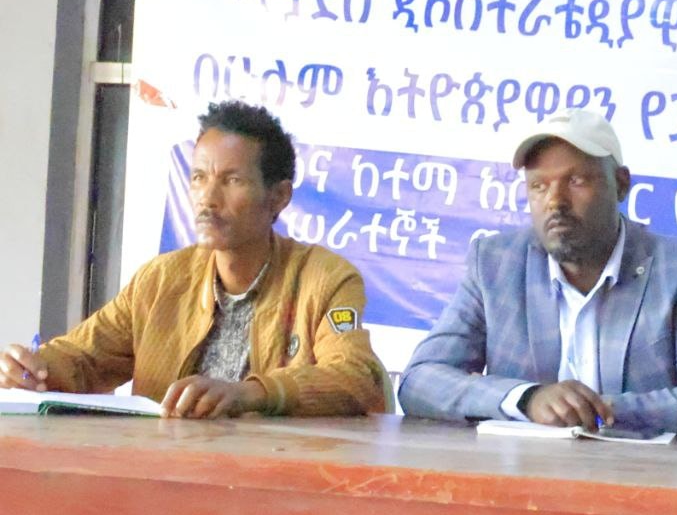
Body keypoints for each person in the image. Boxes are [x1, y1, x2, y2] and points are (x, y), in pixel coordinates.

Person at [0, 100, 387, 418]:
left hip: (270, 476)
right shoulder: (161, 279)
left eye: (232, 180)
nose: (208, 199)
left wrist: (251, 393)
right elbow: (83, 356)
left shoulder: (325, 278)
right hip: (164, 470)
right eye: (199, 177)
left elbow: (355, 377)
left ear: (279, 196)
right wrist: (34, 368)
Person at [398, 108, 677, 437]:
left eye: (577, 181)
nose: (555, 201)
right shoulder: (495, 264)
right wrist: (527, 399)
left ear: (621, 184)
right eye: (539, 186)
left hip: (635, 474)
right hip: (520, 473)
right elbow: (419, 382)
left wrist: (594, 412)